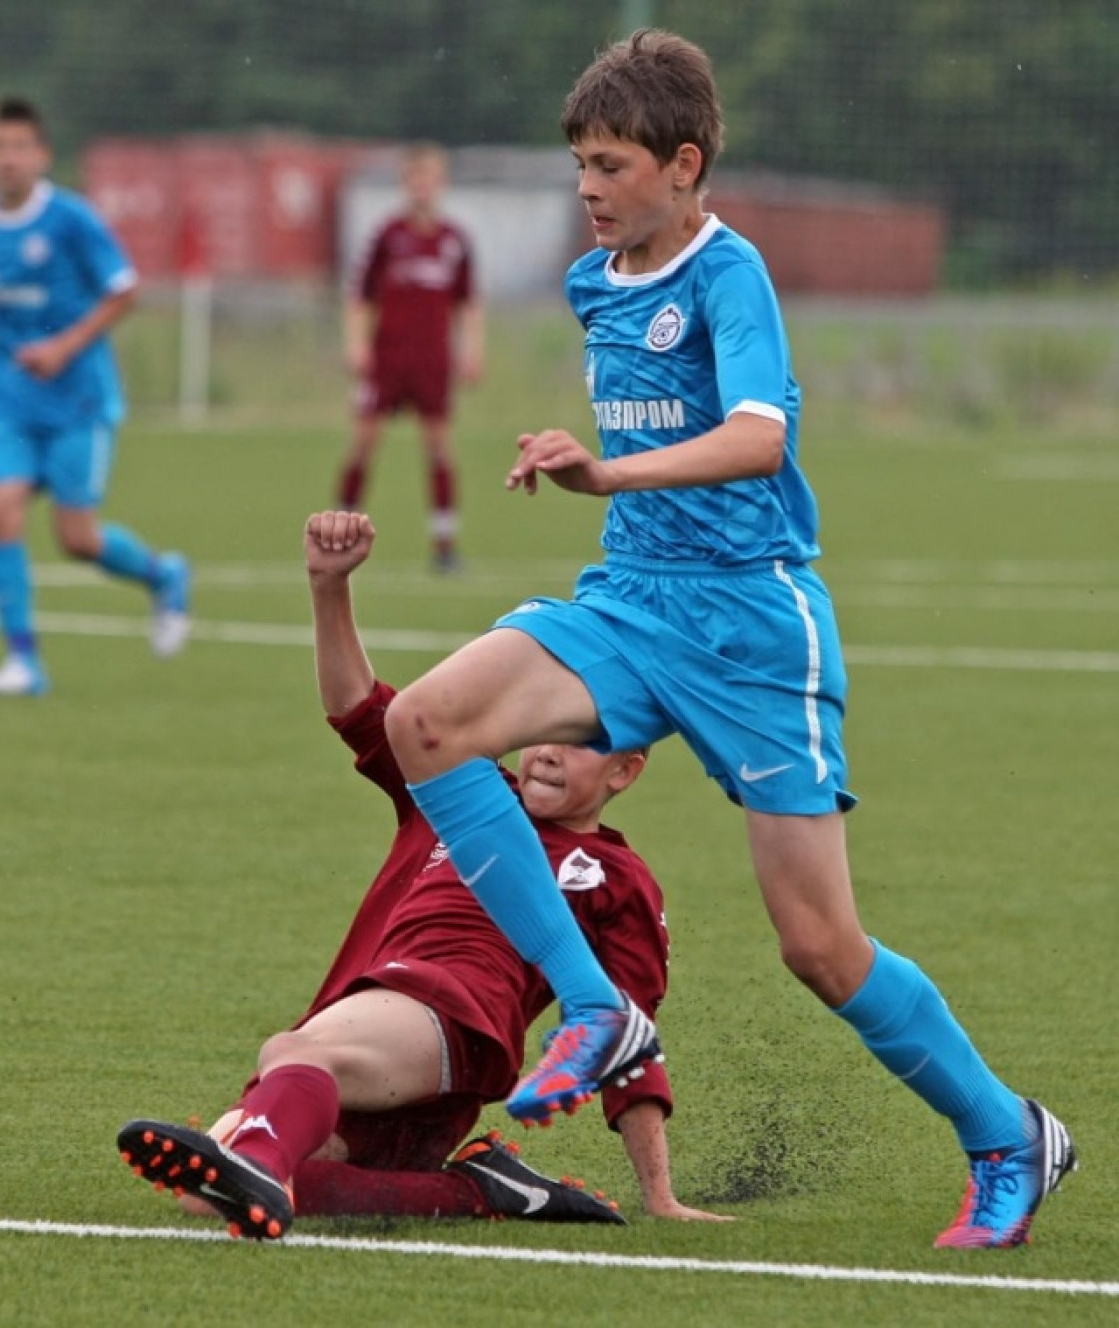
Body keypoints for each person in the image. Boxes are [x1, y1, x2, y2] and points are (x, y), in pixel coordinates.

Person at [376, 30, 1075, 1250]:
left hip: (754, 622)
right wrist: (590, 467)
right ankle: (596, 1008)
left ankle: (1008, 1132)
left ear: (683, 163)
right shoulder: (597, 279)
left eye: (609, 164)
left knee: (818, 945)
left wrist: (603, 467)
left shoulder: (727, 273)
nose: (587, 187)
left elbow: (759, 436)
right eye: (578, 164)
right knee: (421, 722)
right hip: (636, 598)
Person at [117, 511, 728, 1241]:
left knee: (290, 1058)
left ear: (628, 770)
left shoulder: (617, 878)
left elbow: (629, 1038)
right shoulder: (458, 789)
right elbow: (357, 707)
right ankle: (478, 1191)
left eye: (582, 743)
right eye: (547, 734)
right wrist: (328, 586)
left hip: (453, 1025)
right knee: (212, 1187)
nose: (549, 753)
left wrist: (658, 1193)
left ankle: (267, 1149)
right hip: (385, 1040)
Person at [0, 97, 190, 698]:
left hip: (78, 401)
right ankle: (23, 661)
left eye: (20, 147)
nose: (8, 159)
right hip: (9, 401)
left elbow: (124, 291)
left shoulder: (73, 220)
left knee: (77, 539)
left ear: (42, 155)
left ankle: (163, 575)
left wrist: (63, 349)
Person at [338, 144, 484, 573]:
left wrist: (472, 351)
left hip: (431, 360)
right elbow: (359, 297)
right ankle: (339, 533)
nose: (422, 187)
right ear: (406, 185)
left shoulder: (454, 241)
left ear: (441, 185)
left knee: (439, 448)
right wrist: (356, 344)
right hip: (387, 358)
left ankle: (444, 544)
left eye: (430, 179)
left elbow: (468, 303)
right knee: (364, 443)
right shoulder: (388, 236)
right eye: (415, 179)